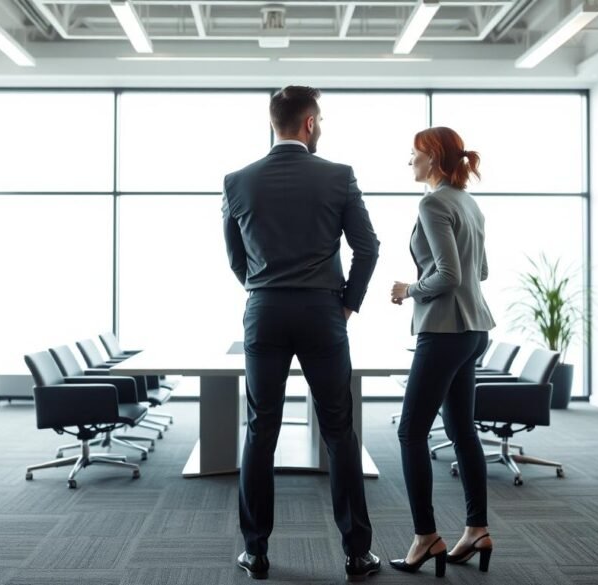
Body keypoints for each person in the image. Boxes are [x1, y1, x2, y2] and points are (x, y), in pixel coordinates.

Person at [222, 85, 382, 582]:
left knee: (260, 431)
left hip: (264, 311)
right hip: (321, 314)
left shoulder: (238, 181)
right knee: (338, 431)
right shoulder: (338, 176)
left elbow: (235, 255)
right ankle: (357, 554)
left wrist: (263, 289)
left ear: (275, 122)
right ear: (310, 123)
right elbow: (368, 247)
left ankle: (256, 552)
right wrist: (348, 304)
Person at [388, 126, 497, 576]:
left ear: (432, 160)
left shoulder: (432, 203)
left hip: (446, 331)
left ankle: (426, 537)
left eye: (413, 155)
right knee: (461, 428)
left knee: (410, 433)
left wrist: (408, 288)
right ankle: (476, 530)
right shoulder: (468, 203)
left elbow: (448, 276)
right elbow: (481, 272)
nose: (408, 161)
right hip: (475, 328)